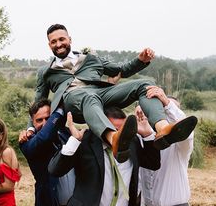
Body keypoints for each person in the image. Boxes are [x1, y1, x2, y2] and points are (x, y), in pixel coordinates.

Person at [34, 23, 197, 159]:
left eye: (61, 39)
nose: (58, 44)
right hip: (73, 101)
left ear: (69, 39)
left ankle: (162, 128)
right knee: (88, 96)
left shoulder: (90, 59)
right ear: (49, 45)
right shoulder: (45, 71)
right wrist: (29, 130)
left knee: (145, 84)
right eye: (53, 42)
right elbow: (38, 102)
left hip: (100, 94)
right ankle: (114, 139)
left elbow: (121, 70)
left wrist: (140, 61)